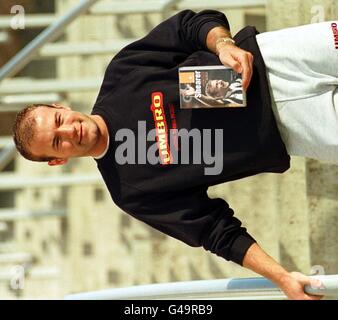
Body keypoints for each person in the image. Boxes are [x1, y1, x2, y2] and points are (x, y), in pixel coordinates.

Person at [12, 9, 336, 299]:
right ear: (58, 160)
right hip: (295, 129)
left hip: (275, 57)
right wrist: (281, 277)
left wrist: (223, 44)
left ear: (60, 107)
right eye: (57, 142)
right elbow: (213, 230)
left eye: (58, 121)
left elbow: (188, 25)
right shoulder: (130, 190)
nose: (69, 131)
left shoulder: (121, 73)